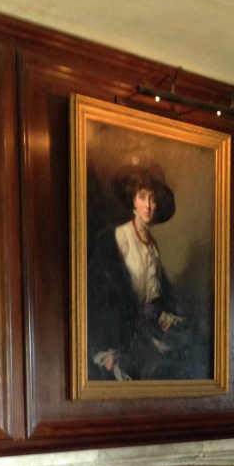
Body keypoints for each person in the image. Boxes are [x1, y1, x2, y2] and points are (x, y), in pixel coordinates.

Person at [86, 160, 208, 381]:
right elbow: (102, 295)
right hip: (122, 329)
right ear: (133, 200)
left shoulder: (152, 246)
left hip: (150, 326)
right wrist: (111, 344)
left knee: (195, 345)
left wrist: (166, 315)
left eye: (153, 199)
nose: (148, 205)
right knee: (153, 367)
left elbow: (159, 295)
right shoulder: (117, 238)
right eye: (142, 197)